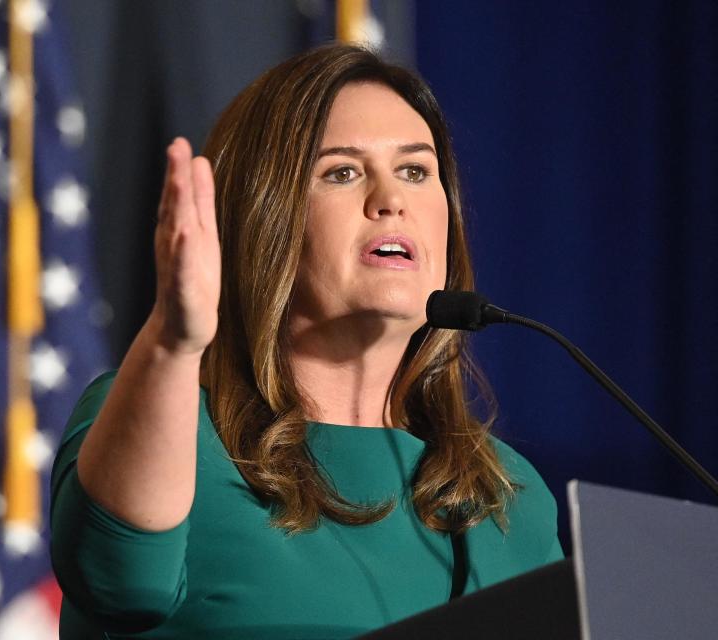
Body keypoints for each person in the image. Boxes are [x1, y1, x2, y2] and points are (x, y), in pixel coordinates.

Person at [50, 44, 563, 639]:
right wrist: (173, 341)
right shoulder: (175, 428)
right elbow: (121, 584)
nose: (391, 199)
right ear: (263, 218)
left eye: (416, 171)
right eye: (341, 172)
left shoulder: (507, 494)